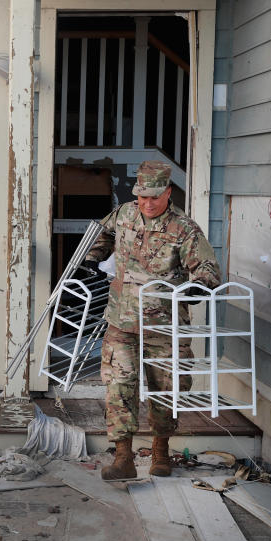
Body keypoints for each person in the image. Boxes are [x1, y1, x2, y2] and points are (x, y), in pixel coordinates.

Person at [84, 161, 220, 480]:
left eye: (154, 197)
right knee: (119, 386)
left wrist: (198, 285)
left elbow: (208, 268)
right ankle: (123, 458)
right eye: (142, 196)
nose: (147, 203)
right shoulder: (125, 213)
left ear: (168, 193)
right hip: (122, 319)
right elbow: (103, 234)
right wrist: (93, 258)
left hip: (164, 325)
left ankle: (161, 451)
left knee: (167, 389)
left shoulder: (184, 228)